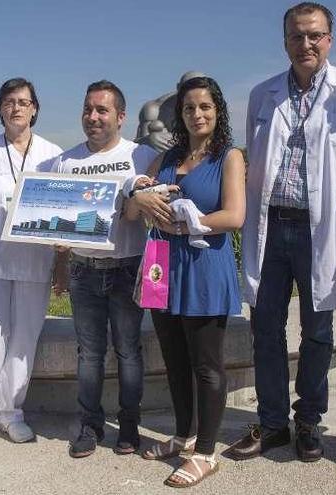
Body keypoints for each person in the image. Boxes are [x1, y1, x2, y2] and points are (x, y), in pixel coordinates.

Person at [232, 2, 336, 462]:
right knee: (265, 328)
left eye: (315, 35)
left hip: (322, 229)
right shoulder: (262, 94)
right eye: (297, 35)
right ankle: (273, 423)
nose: (306, 43)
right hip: (271, 226)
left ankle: (309, 420)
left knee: (318, 330)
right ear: (285, 42)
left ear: (329, 39)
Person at [127, 76, 245, 488]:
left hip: (204, 266)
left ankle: (207, 453)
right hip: (162, 266)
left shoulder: (228, 157)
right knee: (174, 361)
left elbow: (234, 216)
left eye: (205, 107)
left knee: (206, 365)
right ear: (180, 114)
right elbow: (143, 200)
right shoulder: (170, 155)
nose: (197, 114)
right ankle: (183, 435)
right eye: (190, 108)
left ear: (218, 111)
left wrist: (188, 222)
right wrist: (141, 195)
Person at [51, 80, 158, 458]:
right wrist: (60, 266)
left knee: (129, 351)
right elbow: (57, 218)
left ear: (121, 116)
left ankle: (129, 426)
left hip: (128, 269)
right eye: (87, 110)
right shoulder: (67, 161)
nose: (92, 117)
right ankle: (90, 426)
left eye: (102, 110)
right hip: (83, 271)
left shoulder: (142, 156)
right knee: (89, 354)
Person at [0, 78, 63, 443]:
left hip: (34, 259)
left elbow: (64, 212)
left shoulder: (54, 155)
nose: (16, 107)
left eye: (23, 101)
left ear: (34, 108)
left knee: (24, 338)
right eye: (9, 101)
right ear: (0, 108)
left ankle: (12, 410)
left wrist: (63, 264)